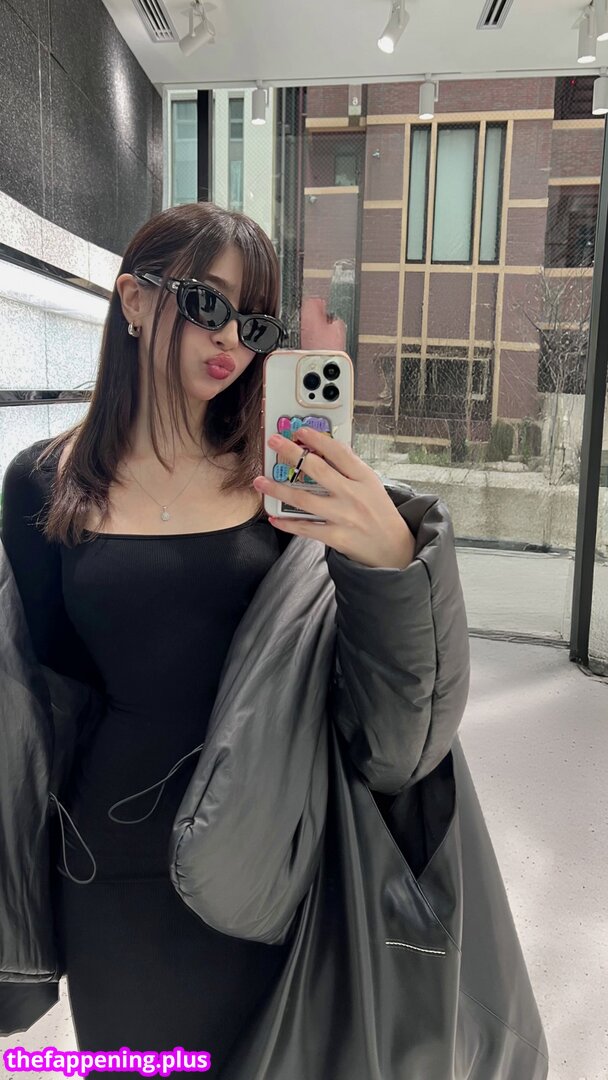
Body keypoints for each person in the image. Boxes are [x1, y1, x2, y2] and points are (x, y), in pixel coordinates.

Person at [0, 201, 419, 1075]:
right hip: (105, 862)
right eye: (206, 304)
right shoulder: (40, 481)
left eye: (255, 324)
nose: (231, 337)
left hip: (261, 850)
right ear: (134, 300)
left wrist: (388, 557)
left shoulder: (281, 482)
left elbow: (369, 691)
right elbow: (41, 696)